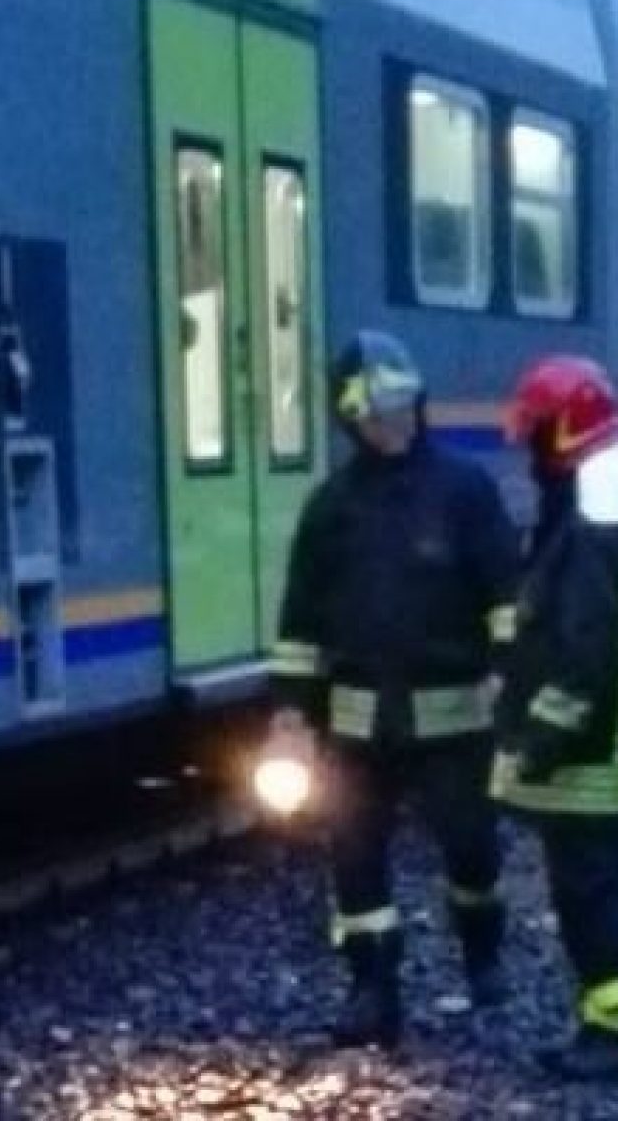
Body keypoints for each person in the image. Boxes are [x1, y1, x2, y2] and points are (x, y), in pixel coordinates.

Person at [270, 330, 521, 1048]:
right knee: (353, 858)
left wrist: (509, 669)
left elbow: (505, 592)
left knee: (472, 853)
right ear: (351, 417)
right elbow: (301, 622)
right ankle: (372, 988)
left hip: (455, 722)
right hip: (356, 726)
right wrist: (290, 713)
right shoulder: (330, 508)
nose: (395, 422)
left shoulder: (465, 490)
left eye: (404, 405)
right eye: (379, 410)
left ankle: (482, 953)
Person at [493, 355, 618, 1082]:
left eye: (537, 433)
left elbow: (588, 651)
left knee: (593, 899)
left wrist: (540, 741)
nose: (530, 449)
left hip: (593, 765)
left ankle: (608, 1034)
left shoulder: (589, 524)